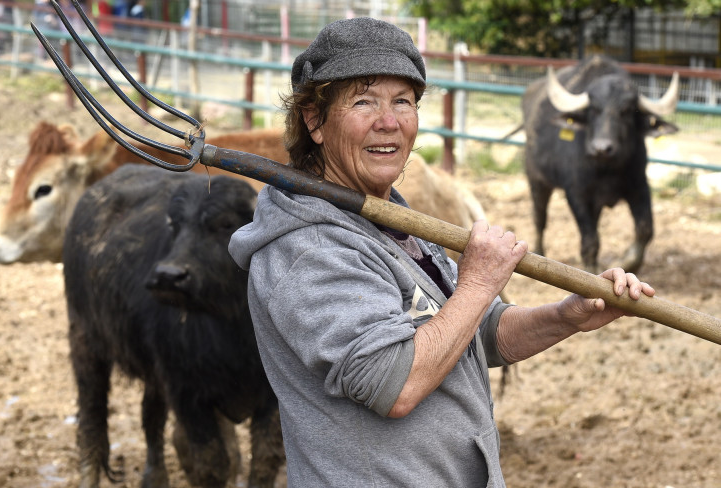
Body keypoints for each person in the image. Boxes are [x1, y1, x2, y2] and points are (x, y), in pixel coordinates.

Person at [228, 17, 655, 487]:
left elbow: (476, 331)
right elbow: (395, 383)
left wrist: (567, 316)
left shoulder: (391, 218)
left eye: (403, 102)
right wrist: (476, 282)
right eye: (364, 101)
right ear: (315, 121)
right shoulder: (306, 248)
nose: (388, 122)